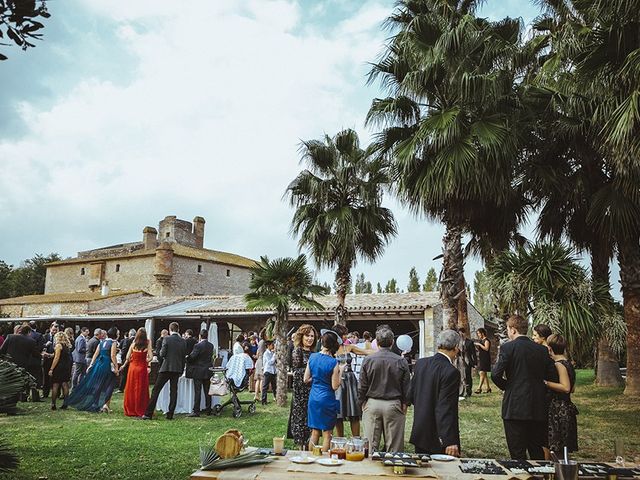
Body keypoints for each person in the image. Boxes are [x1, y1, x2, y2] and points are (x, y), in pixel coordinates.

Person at [491, 315, 556, 460]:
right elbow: (553, 377)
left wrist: (508, 387)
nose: (508, 332)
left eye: (508, 329)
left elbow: (495, 374)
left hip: (514, 407)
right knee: (536, 450)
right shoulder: (542, 350)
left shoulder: (508, 347)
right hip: (537, 406)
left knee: (517, 452)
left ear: (513, 330)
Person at [358, 325, 411, 453]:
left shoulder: (368, 360)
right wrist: (405, 403)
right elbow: (407, 386)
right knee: (394, 448)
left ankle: (370, 470)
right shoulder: (401, 361)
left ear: (377, 342)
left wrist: (362, 402)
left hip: (372, 403)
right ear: (392, 342)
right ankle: (394, 471)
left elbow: (362, 385)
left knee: (370, 446)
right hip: (394, 403)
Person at [409, 329, 462, 456]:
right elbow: (446, 407)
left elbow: (412, 395)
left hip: (420, 431)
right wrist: (449, 440)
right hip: (438, 436)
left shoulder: (421, 364)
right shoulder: (451, 372)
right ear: (455, 348)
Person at [332, 323, 375, 437]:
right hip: (337, 380)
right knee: (338, 414)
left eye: (346, 334)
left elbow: (366, 352)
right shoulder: (330, 350)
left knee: (354, 412)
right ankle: (339, 440)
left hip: (350, 380)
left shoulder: (348, 347)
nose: (345, 337)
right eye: (343, 335)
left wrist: (381, 351)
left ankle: (356, 439)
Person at [64, 327, 120, 413]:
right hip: (107, 364)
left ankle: (95, 404)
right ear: (115, 334)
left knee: (98, 384)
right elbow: (113, 356)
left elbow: (95, 354)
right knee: (109, 384)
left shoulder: (102, 342)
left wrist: (91, 365)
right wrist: (116, 367)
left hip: (99, 363)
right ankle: (105, 405)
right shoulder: (113, 342)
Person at [304, 330, 343, 453]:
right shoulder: (333, 362)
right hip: (326, 399)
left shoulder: (312, 357)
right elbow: (335, 386)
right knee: (327, 434)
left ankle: (311, 457)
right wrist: (340, 371)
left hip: (314, 398)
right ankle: (324, 461)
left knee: (315, 432)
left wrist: (316, 378)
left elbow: (306, 379)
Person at [143, 322, 186, 420]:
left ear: (170, 329)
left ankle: (148, 413)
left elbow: (162, 354)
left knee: (156, 390)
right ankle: (170, 413)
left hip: (166, 368)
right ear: (178, 329)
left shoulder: (166, 339)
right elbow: (183, 357)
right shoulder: (183, 341)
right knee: (174, 391)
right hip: (177, 369)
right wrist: (181, 368)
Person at [544, 334, 578, 454]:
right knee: (562, 449)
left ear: (550, 348)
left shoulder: (559, 364)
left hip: (558, 410)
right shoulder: (568, 363)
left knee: (556, 447)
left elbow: (566, 387)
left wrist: (546, 383)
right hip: (568, 408)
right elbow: (573, 388)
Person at [287, 324, 317, 449]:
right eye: (307, 335)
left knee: (310, 419)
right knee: (300, 419)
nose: (310, 338)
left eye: (312, 336)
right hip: (300, 392)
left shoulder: (314, 353)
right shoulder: (297, 351)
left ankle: (309, 445)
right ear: (301, 336)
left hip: (312, 391)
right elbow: (297, 372)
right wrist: (311, 373)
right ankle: (300, 447)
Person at [120, 328, 152, 417]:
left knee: (131, 387)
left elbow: (127, 357)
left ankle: (131, 408)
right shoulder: (148, 343)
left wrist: (131, 359)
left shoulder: (133, 343)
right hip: (142, 368)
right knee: (141, 389)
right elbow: (151, 357)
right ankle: (141, 407)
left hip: (132, 368)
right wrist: (145, 360)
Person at [186, 329, 214, 417]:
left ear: (200, 336)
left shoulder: (197, 346)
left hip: (198, 370)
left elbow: (193, 357)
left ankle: (196, 410)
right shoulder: (211, 345)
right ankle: (208, 409)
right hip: (207, 370)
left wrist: (187, 358)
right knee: (207, 391)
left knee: (197, 391)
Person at [48, 332, 72, 410]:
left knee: (55, 385)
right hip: (66, 367)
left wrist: (51, 368)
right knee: (65, 385)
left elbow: (57, 358)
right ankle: (65, 403)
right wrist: (49, 355)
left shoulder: (58, 345)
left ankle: (53, 404)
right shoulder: (67, 346)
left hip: (59, 367)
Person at [41, 322, 59, 398]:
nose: (54, 332)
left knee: (56, 377)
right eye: (53, 330)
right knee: (46, 376)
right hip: (46, 359)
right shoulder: (45, 336)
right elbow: (41, 346)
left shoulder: (58, 337)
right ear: (50, 328)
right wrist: (45, 353)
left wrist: (54, 355)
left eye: (56, 330)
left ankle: (56, 393)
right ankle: (45, 393)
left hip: (55, 359)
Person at [474, 328, 492, 394]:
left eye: (479, 333)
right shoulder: (481, 340)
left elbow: (486, 349)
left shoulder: (486, 340)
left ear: (482, 333)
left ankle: (479, 388)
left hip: (485, 358)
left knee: (481, 372)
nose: (478, 335)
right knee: (484, 374)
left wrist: (479, 345)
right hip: (481, 358)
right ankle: (488, 388)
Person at [253, 329, 268, 401]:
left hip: (258, 361)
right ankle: (262, 397)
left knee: (258, 379)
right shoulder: (264, 343)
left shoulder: (259, 342)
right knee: (262, 379)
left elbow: (257, 353)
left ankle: (256, 395)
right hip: (262, 361)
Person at [261, 341, 277, 405]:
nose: (273, 346)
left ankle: (277, 398)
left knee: (274, 387)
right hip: (268, 372)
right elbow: (270, 362)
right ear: (268, 346)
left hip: (273, 372)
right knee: (265, 387)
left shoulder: (272, 353)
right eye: (272, 345)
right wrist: (275, 355)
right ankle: (263, 401)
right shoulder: (266, 353)